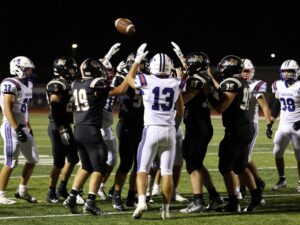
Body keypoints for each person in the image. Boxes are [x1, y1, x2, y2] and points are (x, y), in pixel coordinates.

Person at [63, 44, 129, 216]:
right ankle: (90, 202)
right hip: (91, 130)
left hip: (79, 129)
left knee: (86, 166)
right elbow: (121, 89)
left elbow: (92, 71)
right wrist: (133, 68)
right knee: (100, 166)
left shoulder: (76, 83)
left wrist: (106, 56)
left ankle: (72, 196)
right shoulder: (96, 83)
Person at [126, 44, 184, 220]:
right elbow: (180, 110)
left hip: (151, 129)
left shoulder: (146, 80)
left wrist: (136, 61)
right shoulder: (176, 83)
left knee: (142, 169)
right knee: (166, 171)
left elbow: (130, 78)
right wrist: (175, 126)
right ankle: (165, 210)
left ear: (151, 66)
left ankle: (142, 200)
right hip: (169, 130)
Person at [171, 43, 224, 211]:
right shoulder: (204, 77)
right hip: (202, 124)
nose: (185, 66)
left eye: (188, 63)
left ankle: (198, 201)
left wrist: (177, 82)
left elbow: (184, 99)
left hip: (197, 125)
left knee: (192, 164)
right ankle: (214, 196)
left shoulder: (197, 79)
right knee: (198, 163)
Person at [208, 55, 263, 212]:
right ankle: (255, 195)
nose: (222, 70)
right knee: (240, 165)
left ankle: (233, 202)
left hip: (237, 128)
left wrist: (208, 94)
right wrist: (212, 80)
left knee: (225, 166)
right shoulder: (241, 81)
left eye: (224, 67)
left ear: (230, 69)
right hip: (245, 126)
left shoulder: (231, 82)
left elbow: (222, 106)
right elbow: (223, 91)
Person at [0, 56, 39, 204]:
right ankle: (1, 194)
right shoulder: (9, 83)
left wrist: (27, 126)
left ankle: (22, 190)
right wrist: (17, 129)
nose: (30, 72)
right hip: (11, 126)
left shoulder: (28, 84)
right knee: (11, 162)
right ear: (18, 69)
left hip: (22, 126)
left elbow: (24, 109)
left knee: (33, 158)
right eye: (27, 69)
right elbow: (7, 109)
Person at [109, 53, 146, 211]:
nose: (143, 67)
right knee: (126, 163)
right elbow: (116, 90)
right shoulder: (120, 79)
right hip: (126, 124)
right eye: (139, 64)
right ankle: (116, 195)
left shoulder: (147, 78)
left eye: (143, 64)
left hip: (141, 125)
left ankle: (132, 196)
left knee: (139, 165)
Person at [45, 56, 80, 203]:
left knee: (73, 158)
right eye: (70, 69)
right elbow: (54, 104)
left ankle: (62, 188)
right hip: (57, 125)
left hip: (64, 124)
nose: (73, 71)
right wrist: (61, 128)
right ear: (62, 70)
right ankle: (51, 192)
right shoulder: (57, 84)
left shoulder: (68, 83)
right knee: (59, 161)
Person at [238, 58, 272, 197]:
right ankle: (247, 185)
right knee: (240, 157)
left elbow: (264, 106)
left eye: (247, 71)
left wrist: (269, 124)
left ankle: (255, 183)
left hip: (251, 124)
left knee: (243, 158)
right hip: (238, 125)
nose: (244, 73)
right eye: (242, 70)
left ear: (252, 71)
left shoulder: (257, 85)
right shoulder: (237, 83)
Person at [270, 59, 300, 192]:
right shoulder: (278, 85)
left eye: (290, 71)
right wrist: (270, 123)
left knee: (299, 155)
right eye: (284, 71)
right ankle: (282, 179)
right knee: (277, 151)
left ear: (297, 72)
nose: (287, 73)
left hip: (298, 125)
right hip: (283, 124)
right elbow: (276, 106)